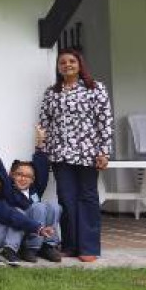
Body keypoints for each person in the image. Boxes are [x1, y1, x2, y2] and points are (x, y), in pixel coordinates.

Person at [39, 48, 113, 262]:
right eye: (62, 62)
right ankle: (70, 245)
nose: (67, 65)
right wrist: (43, 150)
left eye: (72, 61)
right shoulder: (52, 92)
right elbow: (44, 123)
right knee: (66, 198)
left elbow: (104, 121)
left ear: (80, 64)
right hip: (60, 155)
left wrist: (104, 152)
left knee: (88, 198)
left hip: (88, 153)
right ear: (58, 67)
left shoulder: (95, 88)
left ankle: (88, 247)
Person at [0, 128, 62, 263]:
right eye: (19, 174)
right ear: (12, 175)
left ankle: (49, 245)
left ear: (33, 179)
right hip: (22, 230)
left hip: (42, 231)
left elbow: (42, 169)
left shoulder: (36, 189)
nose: (23, 178)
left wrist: (40, 143)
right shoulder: (8, 189)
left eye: (28, 176)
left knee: (54, 206)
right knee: (39, 207)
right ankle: (31, 248)